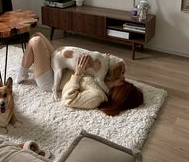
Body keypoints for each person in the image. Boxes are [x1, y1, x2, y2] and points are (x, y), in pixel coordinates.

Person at [16, 32, 144, 116]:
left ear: (120, 87)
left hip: (50, 80)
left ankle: (21, 75)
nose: (123, 78)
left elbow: (68, 99)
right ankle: (30, 65)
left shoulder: (97, 96)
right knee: (37, 35)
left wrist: (78, 74)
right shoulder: (104, 79)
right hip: (61, 67)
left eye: (124, 81)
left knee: (36, 41)